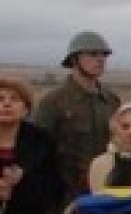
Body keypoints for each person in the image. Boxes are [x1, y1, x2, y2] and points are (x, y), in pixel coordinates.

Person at [33, 31, 120, 204]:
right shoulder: (53, 102)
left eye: (104, 55)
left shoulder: (111, 102)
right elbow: (38, 156)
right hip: (66, 200)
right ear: (74, 59)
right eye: (93, 54)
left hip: (107, 197)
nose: (100, 59)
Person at [0, 76, 61, 214]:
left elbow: (54, 190)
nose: (6, 104)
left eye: (14, 99)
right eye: (0, 99)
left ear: (26, 109)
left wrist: (22, 180)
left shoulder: (42, 142)